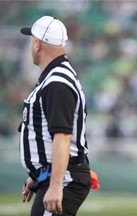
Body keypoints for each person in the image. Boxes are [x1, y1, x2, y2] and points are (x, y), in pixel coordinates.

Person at [19, 16, 91, 216]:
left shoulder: (56, 81)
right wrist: (39, 175)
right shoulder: (55, 77)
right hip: (55, 176)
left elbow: (62, 137)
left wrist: (56, 184)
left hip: (64, 178)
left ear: (38, 43)